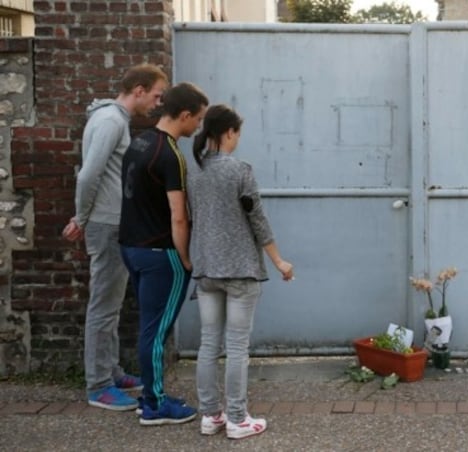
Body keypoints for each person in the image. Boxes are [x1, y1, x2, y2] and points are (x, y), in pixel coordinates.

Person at [62, 64, 169, 411]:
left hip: (113, 223)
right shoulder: (111, 121)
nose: (157, 103)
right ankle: (99, 385)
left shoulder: (112, 119)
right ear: (138, 89)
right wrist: (82, 217)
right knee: (104, 307)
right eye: (155, 95)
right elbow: (87, 175)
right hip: (107, 224)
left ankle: (112, 370)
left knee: (111, 304)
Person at [187, 105, 294, 439]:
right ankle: (237, 419)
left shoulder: (196, 173)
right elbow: (256, 218)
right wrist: (279, 261)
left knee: (208, 346)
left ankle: (210, 416)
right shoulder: (240, 170)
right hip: (240, 271)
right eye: (237, 133)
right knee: (236, 347)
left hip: (206, 270)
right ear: (229, 132)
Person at [119, 82, 209, 426]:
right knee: (155, 333)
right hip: (160, 254)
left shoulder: (140, 141)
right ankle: (154, 404)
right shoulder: (170, 154)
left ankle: (151, 395)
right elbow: (178, 214)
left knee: (149, 328)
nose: (198, 126)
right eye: (197, 119)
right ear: (184, 115)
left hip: (132, 247)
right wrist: (185, 258)